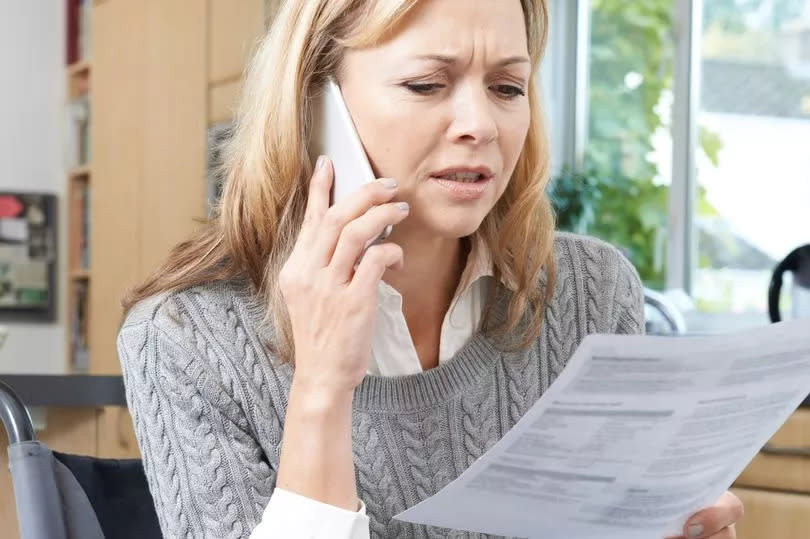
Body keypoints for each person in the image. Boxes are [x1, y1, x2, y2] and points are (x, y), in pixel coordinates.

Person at [116, 0, 744, 537]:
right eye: (427, 85)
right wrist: (320, 389)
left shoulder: (591, 295)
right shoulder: (183, 340)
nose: (481, 126)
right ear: (315, 104)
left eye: (506, 88)